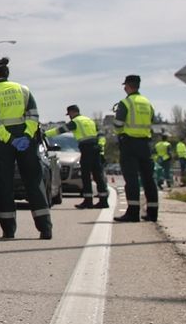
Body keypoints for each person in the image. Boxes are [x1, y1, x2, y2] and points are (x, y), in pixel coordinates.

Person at [0, 58, 52, 240]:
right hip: (27, 141)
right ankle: (45, 229)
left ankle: (9, 230)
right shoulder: (24, 90)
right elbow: (34, 116)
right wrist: (26, 136)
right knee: (34, 183)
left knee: (4, 184)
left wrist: (10, 139)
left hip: (3, 143)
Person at [113, 74, 157, 222]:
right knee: (149, 180)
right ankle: (152, 213)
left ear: (128, 86)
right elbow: (152, 119)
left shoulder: (126, 103)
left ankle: (133, 213)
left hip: (129, 144)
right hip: (145, 144)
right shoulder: (147, 103)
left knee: (131, 180)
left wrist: (120, 133)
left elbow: (118, 124)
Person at [46, 105, 107, 209]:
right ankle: (104, 201)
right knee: (98, 175)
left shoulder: (76, 122)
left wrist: (44, 133)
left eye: (69, 114)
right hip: (96, 149)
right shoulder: (90, 121)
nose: (69, 116)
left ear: (72, 112)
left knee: (86, 175)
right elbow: (101, 135)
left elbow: (59, 130)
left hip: (86, 149)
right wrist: (101, 150)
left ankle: (88, 201)